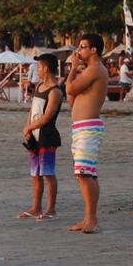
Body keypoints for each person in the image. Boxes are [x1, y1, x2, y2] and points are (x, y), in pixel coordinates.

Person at [65, 34, 108, 234]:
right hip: (82, 127)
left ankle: (92, 219)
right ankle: (88, 217)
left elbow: (71, 87)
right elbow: (71, 97)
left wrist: (73, 68)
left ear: (94, 50)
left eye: (83, 47)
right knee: (86, 173)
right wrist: (76, 72)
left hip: (88, 128)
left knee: (84, 173)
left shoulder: (96, 69)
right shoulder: (90, 71)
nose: (79, 51)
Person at [19, 54, 62, 221]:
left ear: (46, 68)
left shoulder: (55, 91)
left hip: (47, 137)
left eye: (39, 67)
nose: (37, 70)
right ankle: (35, 207)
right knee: (35, 174)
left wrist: (30, 126)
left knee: (48, 173)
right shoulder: (39, 86)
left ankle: (51, 209)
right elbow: (33, 109)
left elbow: (47, 117)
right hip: (35, 137)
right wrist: (28, 127)